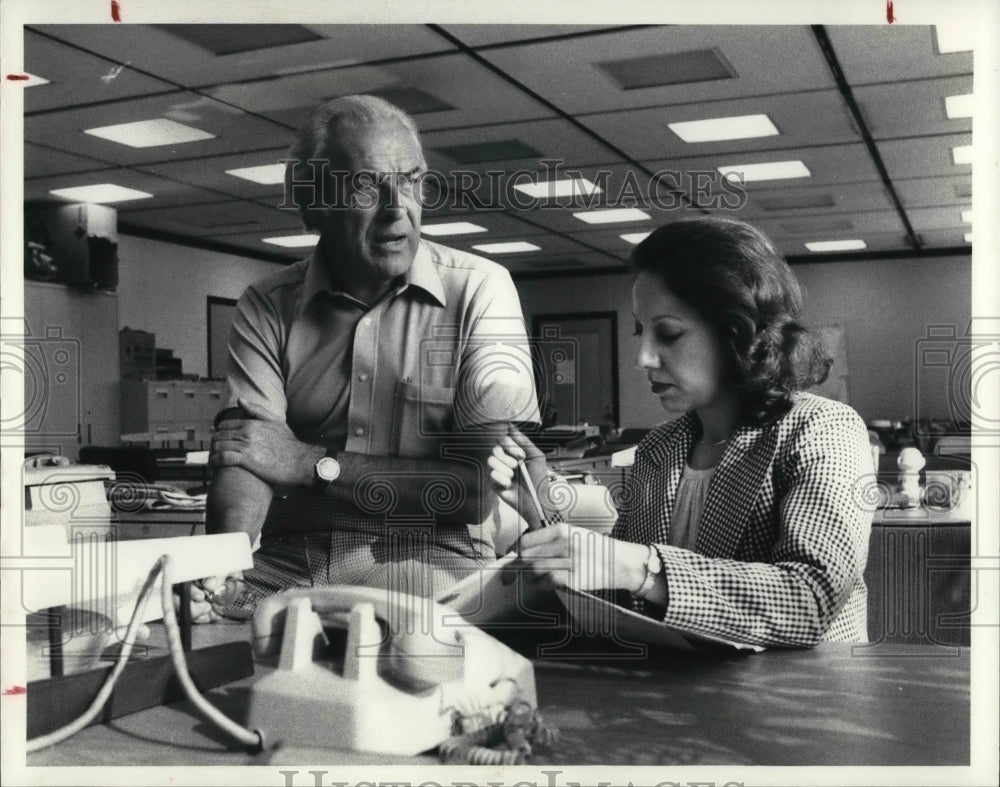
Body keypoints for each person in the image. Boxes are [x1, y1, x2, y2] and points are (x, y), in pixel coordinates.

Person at [189, 95, 539, 622]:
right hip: (292, 558)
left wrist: (309, 463)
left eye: (413, 180)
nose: (398, 208)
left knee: (437, 669)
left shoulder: (482, 290)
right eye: (365, 185)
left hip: (434, 559)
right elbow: (248, 454)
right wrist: (220, 564)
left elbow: (471, 493)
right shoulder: (267, 304)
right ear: (313, 207)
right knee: (179, 640)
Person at [489, 217, 874, 647]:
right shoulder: (660, 447)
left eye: (668, 333)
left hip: (799, 701)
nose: (643, 358)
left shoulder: (822, 429)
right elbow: (624, 589)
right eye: (641, 331)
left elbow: (811, 599)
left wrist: (638, 568)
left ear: (738, 332)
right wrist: (539, 501)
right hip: (682, 694)